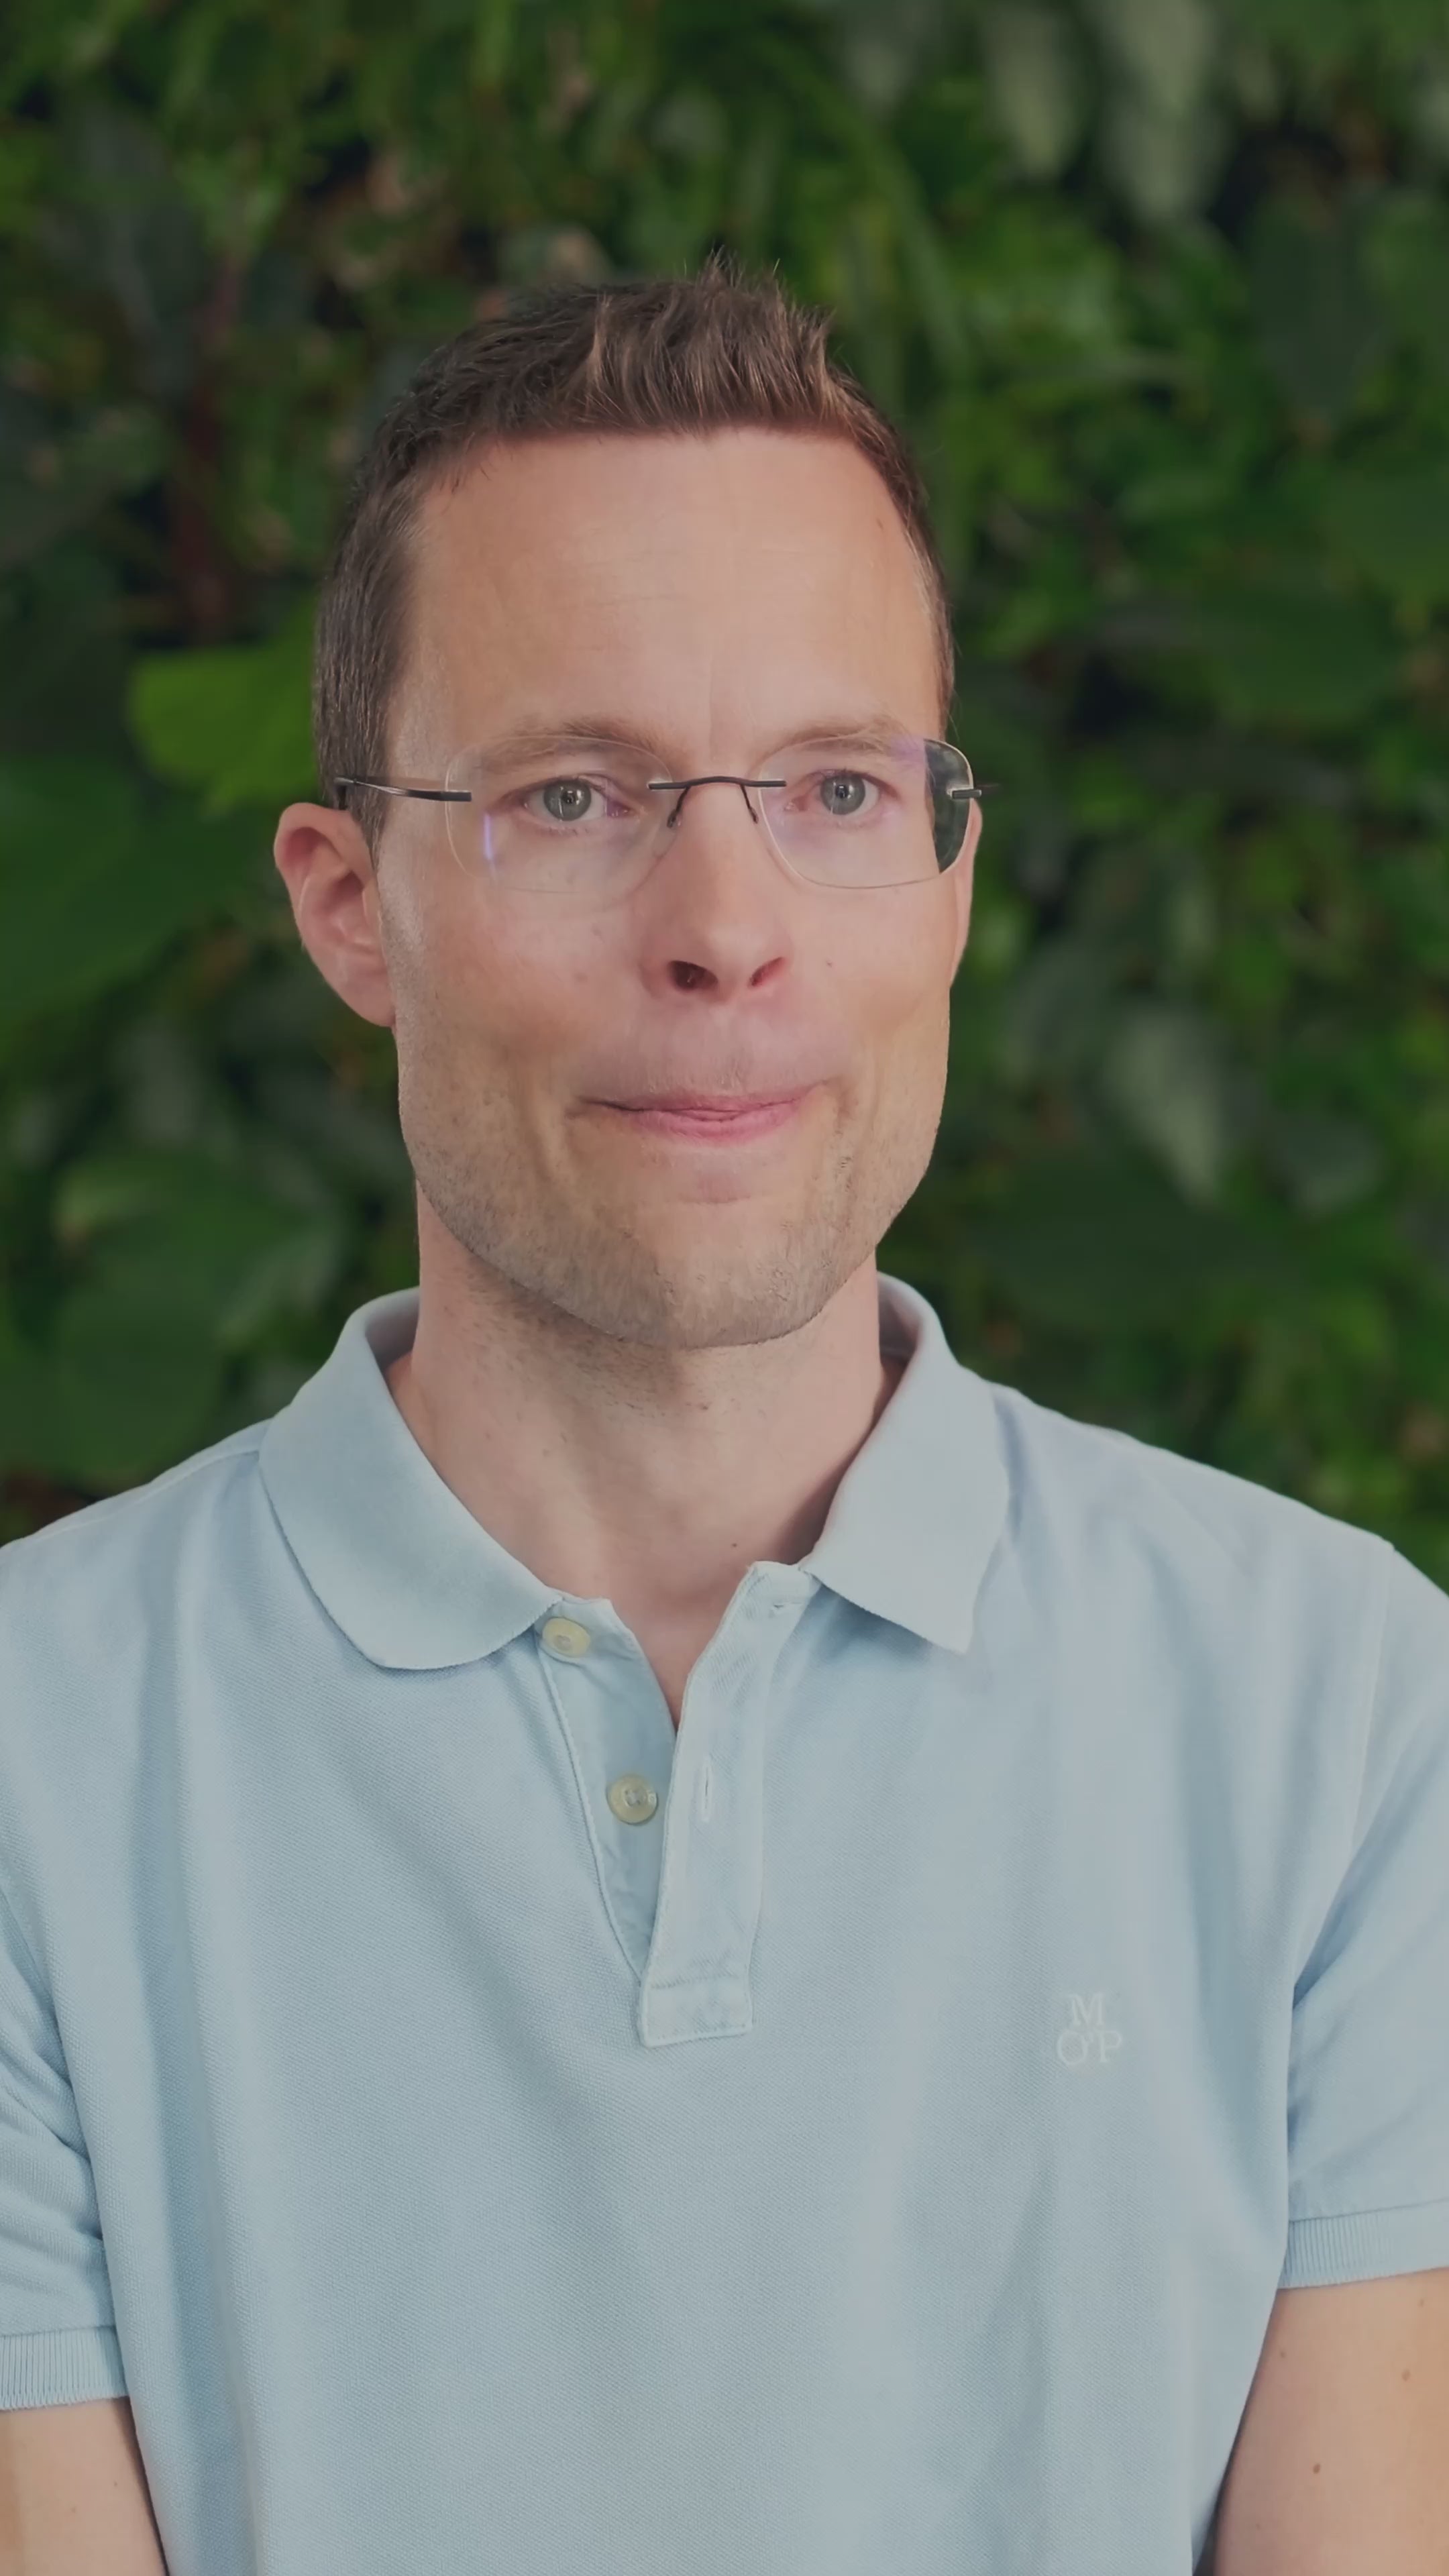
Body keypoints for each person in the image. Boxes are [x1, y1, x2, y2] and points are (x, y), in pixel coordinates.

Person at [1, 260, 1447, 2576]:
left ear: (952, 885)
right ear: (349, 905)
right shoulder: (30, 1765)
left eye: (836, 787)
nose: (726, 925)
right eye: (577, 794)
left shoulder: (1349, 1718)